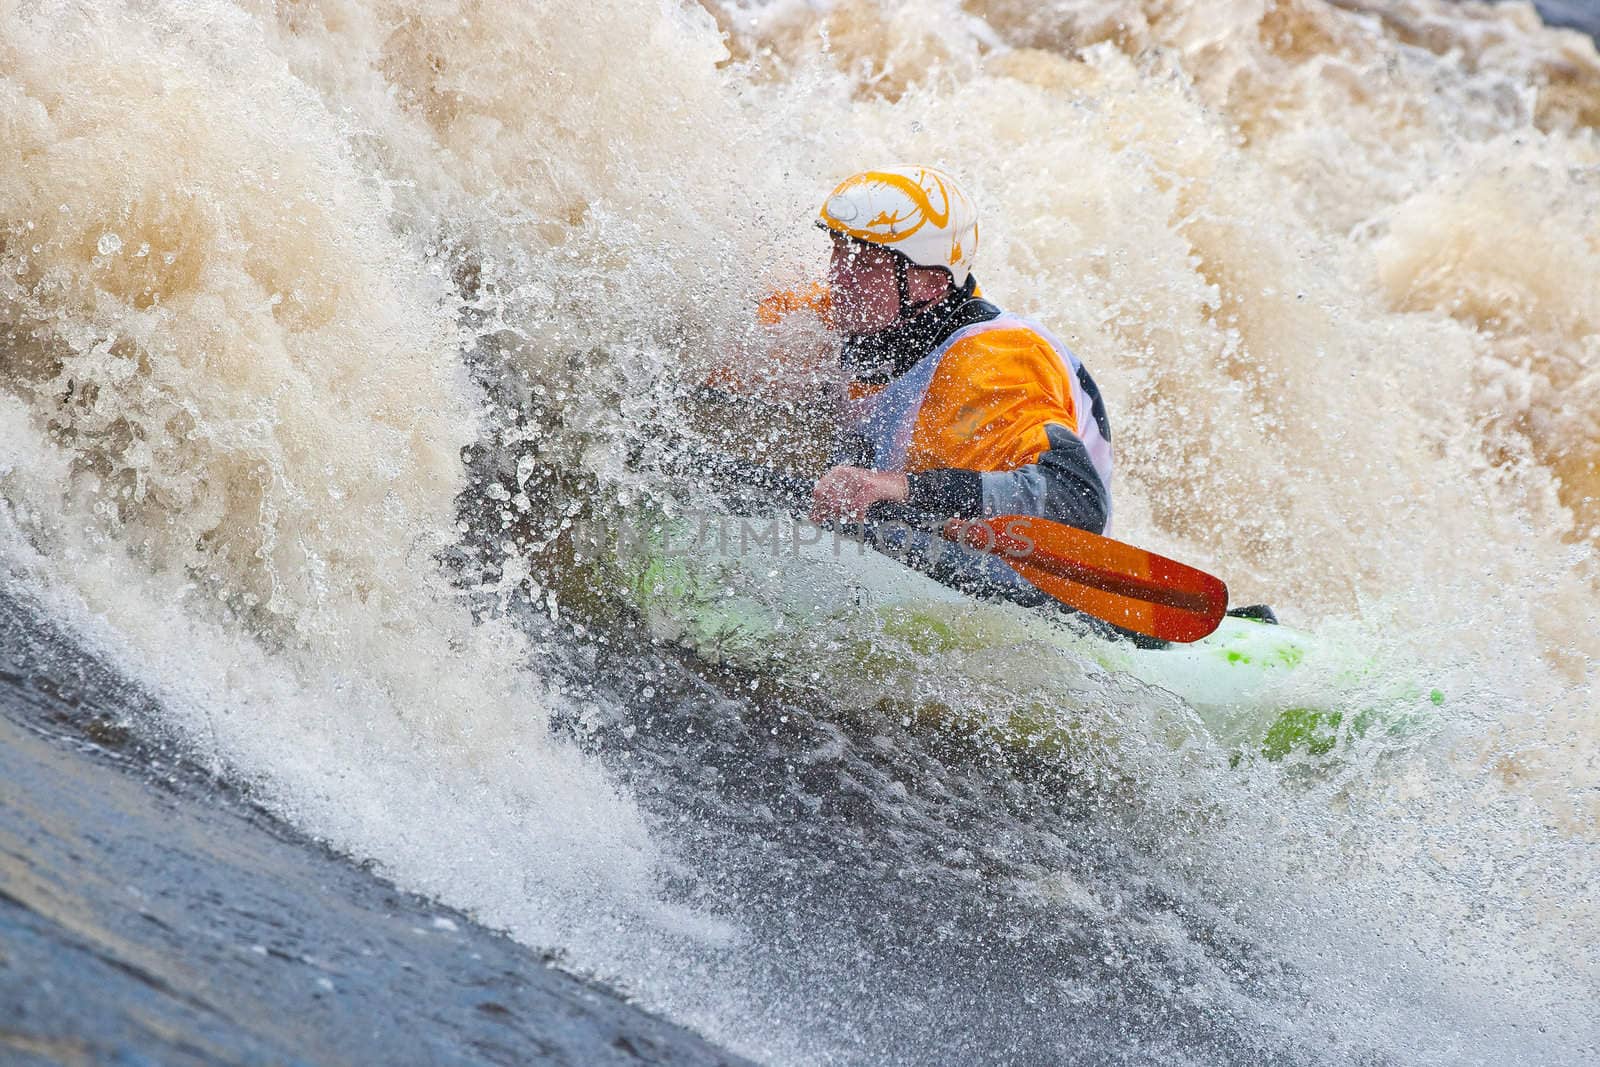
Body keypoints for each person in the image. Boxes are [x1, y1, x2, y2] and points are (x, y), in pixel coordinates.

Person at [806, 166, 1113, 543]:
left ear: (930, 283)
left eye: (866, 265)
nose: (839, 278)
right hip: (906, 544)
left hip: (1013, 573)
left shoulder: (995, 360)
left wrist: (904, 489)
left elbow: (1079, 504)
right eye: (839, 254)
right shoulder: (849, 313)